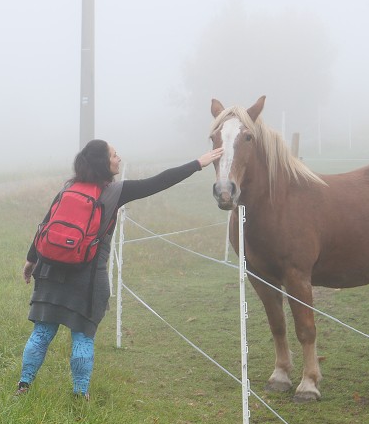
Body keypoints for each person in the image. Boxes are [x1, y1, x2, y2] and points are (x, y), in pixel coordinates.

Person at [16, 140, 223, 400]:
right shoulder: (115, 192)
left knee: (42, 332)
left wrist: (31, 259)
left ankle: (23, 387)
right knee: (82, 336)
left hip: (51, 270)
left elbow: (46, 223)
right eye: (114, 155)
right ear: (104, 163)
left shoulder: (68, 187)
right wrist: (197, 164)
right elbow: (158, 182)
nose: (119, 158)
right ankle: (80, 396)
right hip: (87, 278)